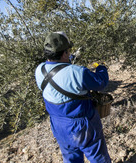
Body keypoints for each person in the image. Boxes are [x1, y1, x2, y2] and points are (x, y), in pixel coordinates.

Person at [35, 31, 111, 163]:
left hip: (58, 125)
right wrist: (101, 67)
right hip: (82, 125)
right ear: (64, 53)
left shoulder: (40, 70)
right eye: (68, 51)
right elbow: (101, 82)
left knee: (71, 158)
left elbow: (59, 68)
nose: (69, 53)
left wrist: (74, 57)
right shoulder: (77, 72)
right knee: (98, 157)